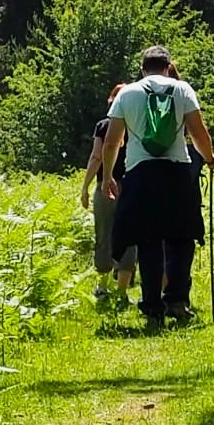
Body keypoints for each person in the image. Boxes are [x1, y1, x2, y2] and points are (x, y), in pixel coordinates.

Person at [103, 45, 214, 324]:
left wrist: (108, 176)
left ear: (143, 69)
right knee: (181, 239)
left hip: (141, 174)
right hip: (177, 172)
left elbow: (111, 141)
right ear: (168, 67)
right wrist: (209, 158)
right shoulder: (182, 89)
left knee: (148, 241)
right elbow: (198, 132)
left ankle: (153, 306)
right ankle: (177, 300)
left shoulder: (127, 93)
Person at [79, 83, 135, 306]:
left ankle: (102, 286)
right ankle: (122, 290)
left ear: (111, 100)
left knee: (103, 234)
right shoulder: (137, 125)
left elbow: (97, 157)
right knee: (130, 236)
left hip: (106, 185)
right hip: (132, 186)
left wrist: (84, 187)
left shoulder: (103, 125)